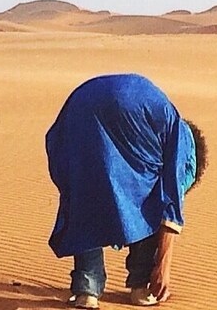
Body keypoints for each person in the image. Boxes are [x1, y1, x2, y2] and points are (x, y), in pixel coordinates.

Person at [45, 74, 208, 308]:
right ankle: (139, 287)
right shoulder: (180, 140)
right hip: (118, 108)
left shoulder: (163, 122)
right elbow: (169, 204)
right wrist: (163, 268)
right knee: (151, 199)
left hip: (78, 106)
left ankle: (87, 292)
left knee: (86, 191)